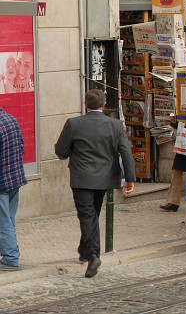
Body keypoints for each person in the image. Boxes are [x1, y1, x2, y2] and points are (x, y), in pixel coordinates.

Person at [54, 89, 135, 278]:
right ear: (104, 105)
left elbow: (61, 150)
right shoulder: (116, 125)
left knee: (88, 215)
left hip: (82, 178)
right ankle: (84, 250)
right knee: (91, 215)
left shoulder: (74, 124)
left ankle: (92, 255)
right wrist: (130, 179)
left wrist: (68, 153)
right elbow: (126, 152)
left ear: (85, 104)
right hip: (104, 179)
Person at [0, 107, 26, 271]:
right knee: (8, 219)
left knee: (3, 221)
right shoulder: (11, 119)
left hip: (1, 182)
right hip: (15, 178)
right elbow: (21, 147)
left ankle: (11, 257)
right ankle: (9, 252)